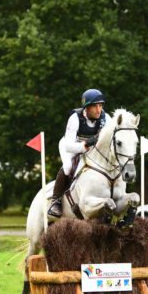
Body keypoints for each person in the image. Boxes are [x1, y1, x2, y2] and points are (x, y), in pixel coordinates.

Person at [47, 88, 112, 218]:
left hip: (92, 150)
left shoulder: (106, 118)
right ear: (87, 107)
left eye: (100, 106)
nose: (99, 110)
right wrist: (87, 144)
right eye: (95, 107)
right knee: (68, 167)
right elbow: (68, 146)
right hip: (71, 146)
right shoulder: (75, 118)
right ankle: (56, 201)